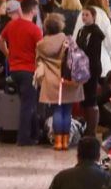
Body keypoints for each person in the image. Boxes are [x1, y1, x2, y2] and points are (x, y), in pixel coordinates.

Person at [0, 0, 44, 146]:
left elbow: (0, 40)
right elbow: (41, 51)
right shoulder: (35, 30)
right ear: (32, 10)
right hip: (29, 70)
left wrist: (8, 54)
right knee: (28, 105)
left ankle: (35, 134)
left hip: (14, 70)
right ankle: (23, 138)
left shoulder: (11, 25)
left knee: (27, 102)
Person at [35, 14, 84, 150]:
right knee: (67, 111)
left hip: (51, 81)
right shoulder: (67, 40)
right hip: (67, 80)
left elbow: (38, 61)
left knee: (56, 110)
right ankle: (65, 142)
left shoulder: (41, 44)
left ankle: (57, 142)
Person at [75, 7, 105, 137]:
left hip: (92, 68)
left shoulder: (95, 32)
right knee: (84, 99)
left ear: (93, 16)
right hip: (82, 67)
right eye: (83, 15)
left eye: (87, 15)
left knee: (91, 99)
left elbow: (92, 53)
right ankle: (85, 126)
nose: (84, 17)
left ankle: (92, 129)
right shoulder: (82, 31)